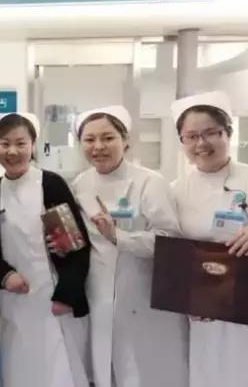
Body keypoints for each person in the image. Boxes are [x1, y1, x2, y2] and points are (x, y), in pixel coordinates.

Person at [72, 105, 188, 387]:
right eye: (89, 139)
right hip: (98, 294)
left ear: (125, 140)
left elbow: (170, 241)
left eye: (108, 137)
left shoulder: (150, 182)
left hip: (143, 295)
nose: (98, 146)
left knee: (146, 373)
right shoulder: (80, 184)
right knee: (105, 369)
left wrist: (119, 237)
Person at [0, 112, 90, 387]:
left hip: (53, 300)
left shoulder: (50, 184)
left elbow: (76, 245)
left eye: (21, 143)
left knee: (59, 372)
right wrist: (4, 276)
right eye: (4, 144)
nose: (12, 151)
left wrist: (66, 294)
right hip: (13, 301)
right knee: (19, 372)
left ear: (33, 145)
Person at [171, 91, 248, 387]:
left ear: (227, 133)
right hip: (205, 305)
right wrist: (188, 297)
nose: (201, 143)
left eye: (210, 133)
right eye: (191, 136)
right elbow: (171, 248)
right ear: (182, 141)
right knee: (209, 371)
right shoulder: (175, 190)